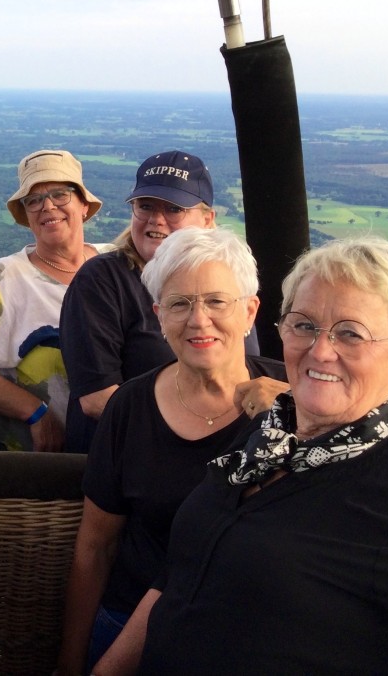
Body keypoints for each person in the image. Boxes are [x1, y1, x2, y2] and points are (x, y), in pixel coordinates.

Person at [96, 235, 388, 676]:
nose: (321, 350)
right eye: (304, 325)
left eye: (351, 333)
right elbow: (185, 567)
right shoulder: (269, 437)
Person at [56, 227, 286, 675]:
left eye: (217, 301)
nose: (198, 320)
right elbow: (96, 545)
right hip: (129, 625)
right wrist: (71, 661)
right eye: (180, 304)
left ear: (249, 312)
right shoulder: (130, 406)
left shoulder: (294, 403)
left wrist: (296, 415)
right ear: (159, 316)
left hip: (246, 636)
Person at [0, 149, 110, 452]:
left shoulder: (116, 264)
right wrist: (35, 411)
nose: (47, 206)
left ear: (83, 205)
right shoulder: (7, 277)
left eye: (60, 194)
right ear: (27, 214)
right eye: (34, 200)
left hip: (124, 454)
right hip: (42, 467)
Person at [61, 149, 223, 454]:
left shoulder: (226, 283)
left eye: (174, 209)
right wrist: (196, 438)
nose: (156, 220)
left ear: (207, 219)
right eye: (145, 206)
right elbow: (98, 399)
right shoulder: (102, 280)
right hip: (126, 457)